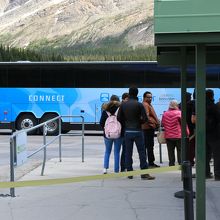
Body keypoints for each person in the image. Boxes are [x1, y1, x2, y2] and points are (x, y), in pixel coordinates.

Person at [117, 87, 155, 180]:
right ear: (137, 93)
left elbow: (119, 118)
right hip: (138, 131)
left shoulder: (123, 105)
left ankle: (130, 172)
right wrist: (139, 122)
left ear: (129, 93)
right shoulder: (139, 105)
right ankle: (144, 173)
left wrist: (126, 123)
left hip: (127, 131)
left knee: (128, 153)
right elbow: (145, 118)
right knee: (142, 152)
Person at [100, 95, 122, 174]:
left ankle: (105, 168)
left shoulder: (105, 111)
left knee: (107, 151)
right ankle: (116, 170)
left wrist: (106, 130)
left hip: (107, 135)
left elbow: (101, 123)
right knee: (117, 152)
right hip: (118, 135)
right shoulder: (120, 110)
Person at [162, 100, 183, 166]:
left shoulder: (165, 113)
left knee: (170, 151)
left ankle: (171, 163)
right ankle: (180, 163)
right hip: (178, 135)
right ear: (177, 105)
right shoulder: (179, 113)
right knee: (180, 150)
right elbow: (183, 124)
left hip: (168, 136)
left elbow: (163, 123)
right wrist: (187, 133)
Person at [142, 91, 160, 168]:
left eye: (150, 97)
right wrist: (154, 123)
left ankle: (149, 162)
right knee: (149, 146)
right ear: (144, 97)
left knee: (148, 146)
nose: (150, 98)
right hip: (147, 128)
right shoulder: (145, 105)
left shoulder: (148, 104)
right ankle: (150, 163)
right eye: (148, 97)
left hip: (147, 128)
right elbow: (146, 116)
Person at [120, 92, 129, 172]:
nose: (128, 100)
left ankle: (124, 166)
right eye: (127, 99)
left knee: (126, 149)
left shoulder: (123, 106)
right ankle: (123, 167)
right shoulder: (122, 107)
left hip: (124, 131)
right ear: (123, 99)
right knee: (125, 149)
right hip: (123, 131)